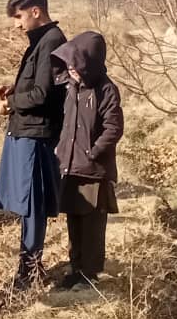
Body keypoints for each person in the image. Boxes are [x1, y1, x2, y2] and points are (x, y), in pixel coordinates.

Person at [0, 0, 68, 289]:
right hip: (25, 130)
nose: (16, 23)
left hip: (36, 135)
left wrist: (12, 103)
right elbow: (35, 88)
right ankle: (28, 266)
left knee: (32, 204)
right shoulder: (40, 40)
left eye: (19, 16)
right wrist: (14, 91)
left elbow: (42, 95)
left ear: (36, 11)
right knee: (25, 203)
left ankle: (30, 270)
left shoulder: (52, 41)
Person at [51, 32, 124, 288]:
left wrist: (92, 153)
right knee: (74, 221)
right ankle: (75, 269)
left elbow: (113, 128)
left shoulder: (106, 90)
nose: (71, 69)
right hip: (70, 168)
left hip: (94, 171)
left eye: (76, 64)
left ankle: (90, 274)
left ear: (89, 62)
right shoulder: (71, 88)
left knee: (93, 226)